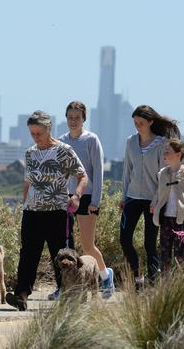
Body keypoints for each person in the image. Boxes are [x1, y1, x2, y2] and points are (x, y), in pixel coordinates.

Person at [5, 110, 87, 311]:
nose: (35, 137)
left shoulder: (64, 151)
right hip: (32, 211)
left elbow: (82, 176)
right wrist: (23, 205)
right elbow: (27, 182)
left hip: (57, 212)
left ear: (48, 129)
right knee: (28, 254)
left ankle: (68, 294)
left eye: (39, 133)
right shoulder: (30, 153)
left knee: (59, 255)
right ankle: (21, 295)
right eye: (32, 133)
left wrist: (76, 196)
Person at [54, 101, 115, 300]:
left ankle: (106, 276)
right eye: (70, 117)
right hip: (66, 198)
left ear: (84, 119)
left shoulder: (91, 140)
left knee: (87, 246)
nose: (73, 121)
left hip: (87, 198)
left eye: (77, 117)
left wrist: (95, 200)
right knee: (65, 244)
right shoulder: (61, 141)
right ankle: (64, 288)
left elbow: (97, 171)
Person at [120, 105, 180, 290]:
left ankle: (153, 283)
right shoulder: (130, 142)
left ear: (151, 122)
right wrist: (123, 196)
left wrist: (156, 201)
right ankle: (138, 276)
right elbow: (127, 171)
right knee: (124, 238)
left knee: (149, 243)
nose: (138, 126)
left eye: (141, 123)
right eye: (135, 123)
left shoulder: (162, 144)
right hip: (132, 197)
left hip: (153, 201)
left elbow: (164, 175)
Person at [151, 138, 184, 272]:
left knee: (181, 256)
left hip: (182, 220)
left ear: (178, 155)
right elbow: (158, 192)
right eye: (164, 152)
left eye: (168, 152)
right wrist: (154, 203)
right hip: (165, 218)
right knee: (164, 255)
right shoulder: (162, 174)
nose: (164, 155)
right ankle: (165, 287)